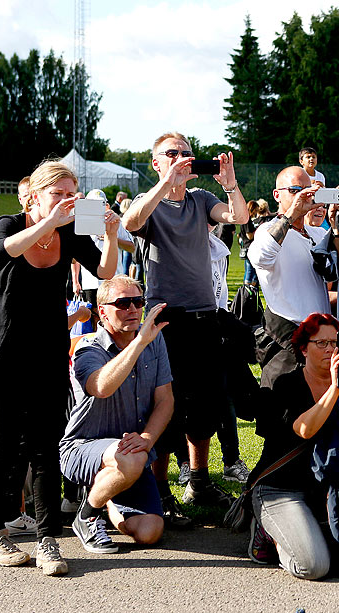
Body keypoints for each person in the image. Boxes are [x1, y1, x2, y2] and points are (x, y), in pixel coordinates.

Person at [0, 161, 119, 575]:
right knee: (3, 448)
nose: (66, 201)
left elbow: (106, 272)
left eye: (71, 193)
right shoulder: (9, 225)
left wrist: (109, 235)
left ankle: (46, 540)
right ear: (34, 196)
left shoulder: (71, 233)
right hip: (0, 354)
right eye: (57, 193)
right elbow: (9, 250)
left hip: (48, 354)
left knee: (44, 448)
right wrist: (50, 222)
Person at [123, 132, 249, 519]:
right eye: (172, 154)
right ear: (156, 163)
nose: (182, 158)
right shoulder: (152, 204)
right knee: (167, 406)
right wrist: (166, 182)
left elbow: (240, 217)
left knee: (206, 404)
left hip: (204, 316)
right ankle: (160, 489)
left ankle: (199, 480)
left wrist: (229, 185)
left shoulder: (201, 199)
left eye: (187, 153)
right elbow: (131, 220)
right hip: (166, 319)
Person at [247, 313, 339, 579]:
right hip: (280, 488)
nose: (330, 349)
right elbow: (305, 429)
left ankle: (309, 528)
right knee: (314, 566)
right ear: (303, 349)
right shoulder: (287, 382)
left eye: (335, 343)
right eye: (322, 343)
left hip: (326, 487)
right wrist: (335, 389)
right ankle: (270, 536)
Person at [60, 276, 172, 554]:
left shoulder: (154, 342)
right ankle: (86, 515)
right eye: (122, 303)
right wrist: (139, 344)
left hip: (129, 451)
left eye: (138, 302)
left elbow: (165, 400)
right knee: (133, 457)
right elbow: (102, 387)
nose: (133, 309)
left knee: (150, 532)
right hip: (82, 448)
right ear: (102, 310)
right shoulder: (89, 347)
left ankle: (104, 494)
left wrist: (147, 438)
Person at [249, 166, 335, 388]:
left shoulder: (317, 233)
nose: (303, 196)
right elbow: (260, 258)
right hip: (287, 342)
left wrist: (335, 220)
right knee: (282, 417)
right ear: (277, 195)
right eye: (296, 190)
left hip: (320, 341)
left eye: (308, 189)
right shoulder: (266, 230)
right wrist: (293, 213)